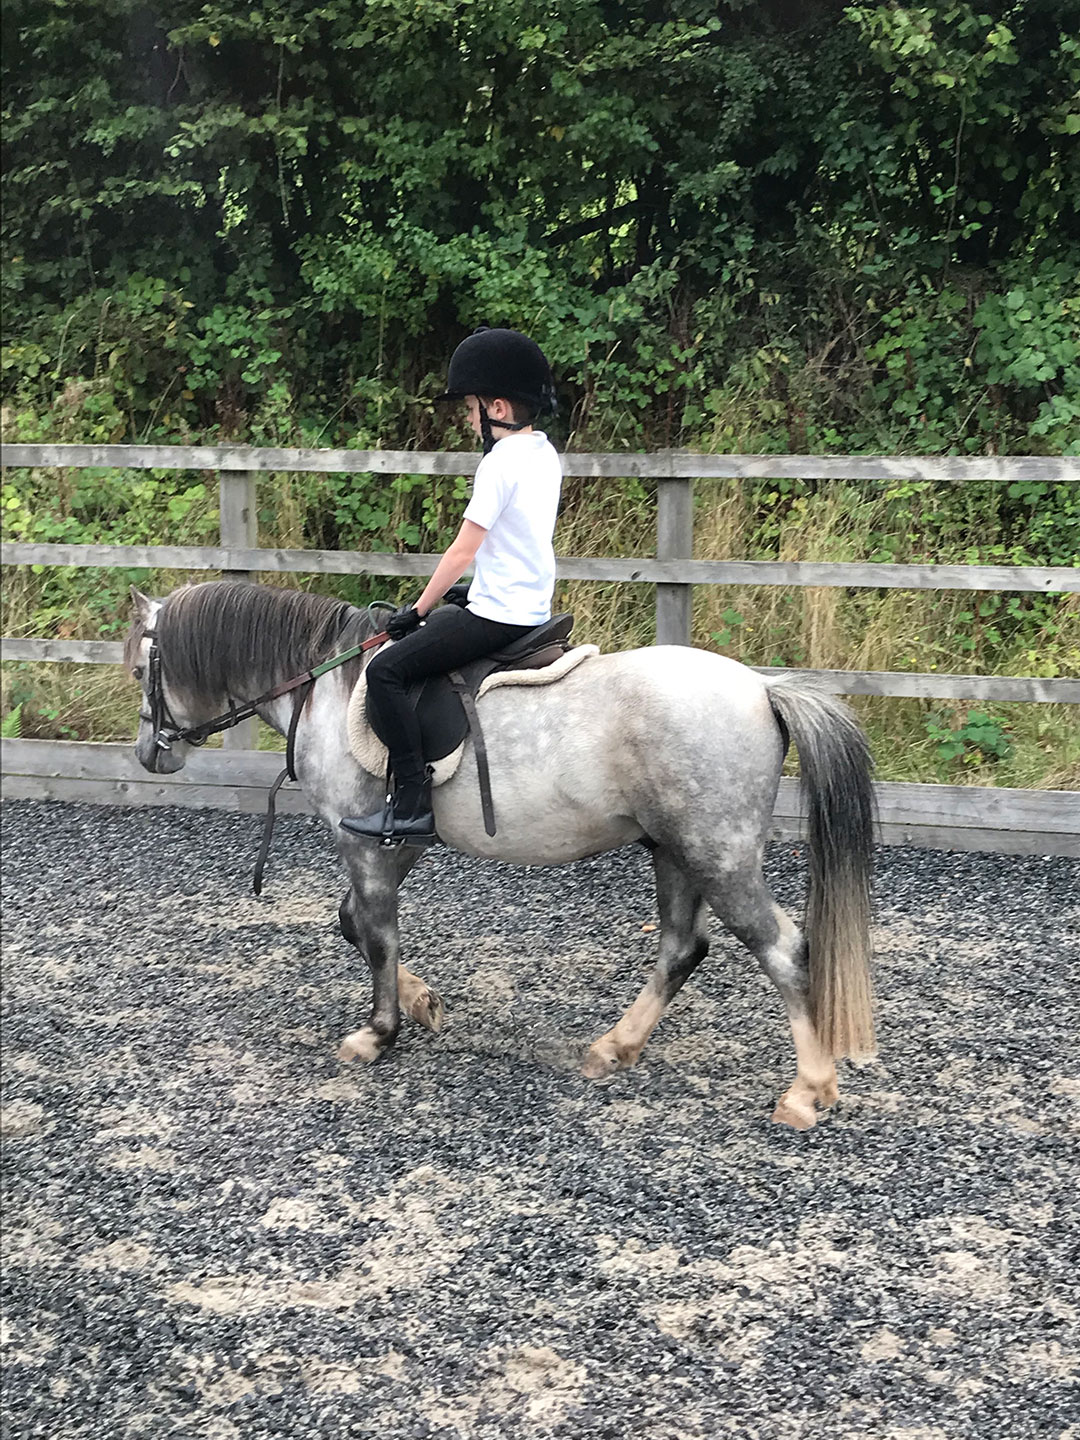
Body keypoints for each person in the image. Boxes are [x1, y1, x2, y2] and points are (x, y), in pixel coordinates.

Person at [340, 325, 561, 843]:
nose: (467, 418)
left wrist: (418, 610)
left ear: (499, 409)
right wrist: (469, 591)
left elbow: (463, 549)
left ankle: (412, 802)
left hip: (497, 616)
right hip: (527, 606)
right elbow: (516, 544)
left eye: (470, 408)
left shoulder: (499, 464)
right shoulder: (544, 453)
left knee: (388, 672)